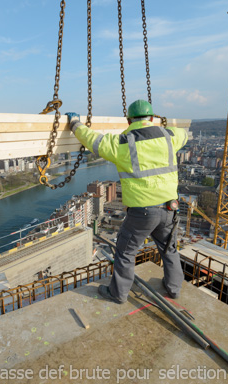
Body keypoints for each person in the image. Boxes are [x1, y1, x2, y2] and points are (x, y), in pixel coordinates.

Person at [67, 99, 188, 302]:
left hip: (143, 212)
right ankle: (174, 289)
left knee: (125, 252)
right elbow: (184, 133)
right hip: (169, 209)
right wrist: (162, 125)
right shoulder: (170, 137)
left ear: (129, 119)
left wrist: (75, 124)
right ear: (152, 117)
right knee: (169, 249)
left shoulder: (123, 143)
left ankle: (118, 293)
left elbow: (94, 141)